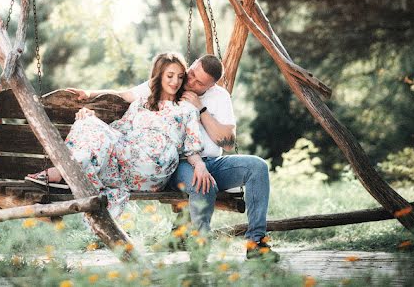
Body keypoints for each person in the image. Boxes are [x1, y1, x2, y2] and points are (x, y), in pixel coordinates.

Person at [68, 54, 276, 260]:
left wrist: (200, 109)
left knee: (257, 167)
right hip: (180, 164)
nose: (190, 81)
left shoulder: (219, 96)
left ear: (211, 86)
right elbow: (125, 95)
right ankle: (200, 249)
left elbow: (228, 143)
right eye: (192, 74)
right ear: (192, 65)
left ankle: (256, 242)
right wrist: (89, 93)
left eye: (199, 82)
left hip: (214, 163)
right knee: (202, 184)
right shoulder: (172, 81)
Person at [25, 52, 212, 219]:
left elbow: (191, 148)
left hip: (155, 169)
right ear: (158, 76)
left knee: (92, 125)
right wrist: (90, 117)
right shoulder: (140, 104)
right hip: (128, 163)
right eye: (169, 76)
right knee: (87, 120)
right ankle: (67, 173)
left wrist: (200, 166)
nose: (175, 82)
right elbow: (118, 133)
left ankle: (62, 172)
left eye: (180, 77)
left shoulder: (187, 109)